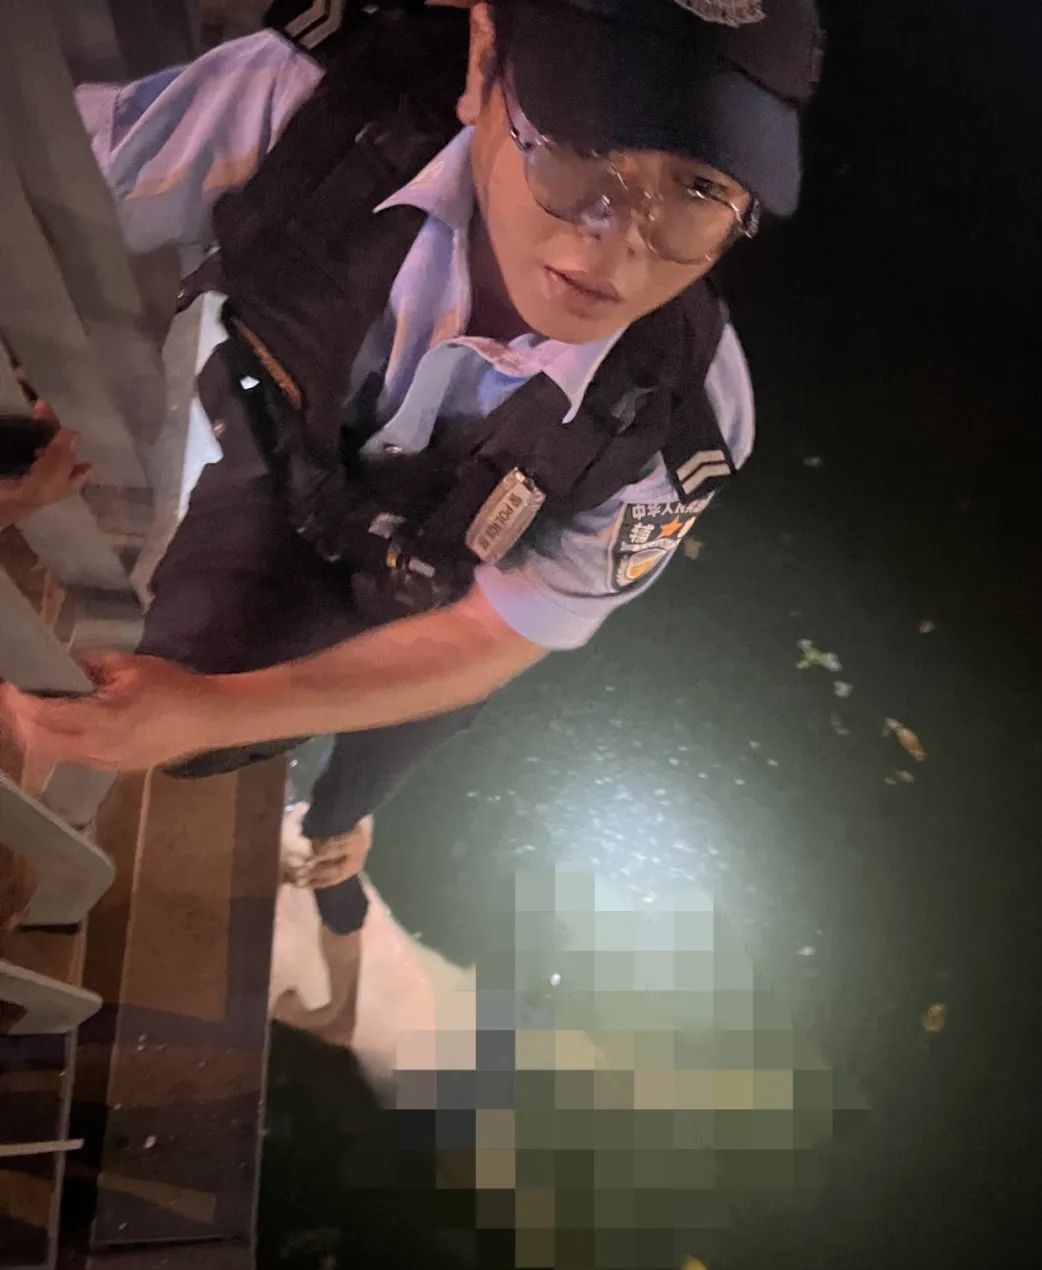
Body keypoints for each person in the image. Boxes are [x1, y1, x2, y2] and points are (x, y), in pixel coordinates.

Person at [0, 0, 822, 1037]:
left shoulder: (680, 418)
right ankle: (332, 830)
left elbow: (506, 627)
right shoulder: (315, 114)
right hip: (286, 466)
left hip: (452, 587)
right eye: (577, 146)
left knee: (396, 735)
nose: (617, 248)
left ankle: (337, 838)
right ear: (482, 61)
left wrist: (218, 709)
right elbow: (40, 198)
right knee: (200, 718)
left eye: (699, 188)